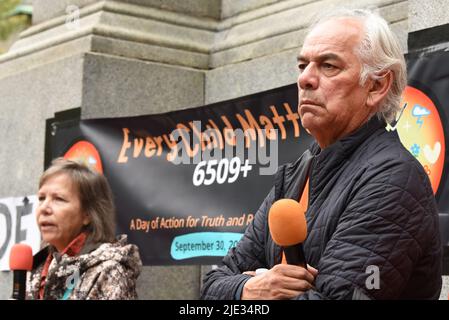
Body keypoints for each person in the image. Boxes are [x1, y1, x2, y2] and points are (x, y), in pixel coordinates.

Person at [201, 8, 442, 300]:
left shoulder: (393, 178)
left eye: (328, 66)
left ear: (377, 86)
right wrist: (248, 290)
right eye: (302, 65)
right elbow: (211, 287)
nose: (305, 80)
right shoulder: (295, 175)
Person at [26, 157, 142, 300]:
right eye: (42, 198)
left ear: (88, 214)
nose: (43, 208)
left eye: (59, 199)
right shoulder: (36, 270)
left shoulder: (108, 271)